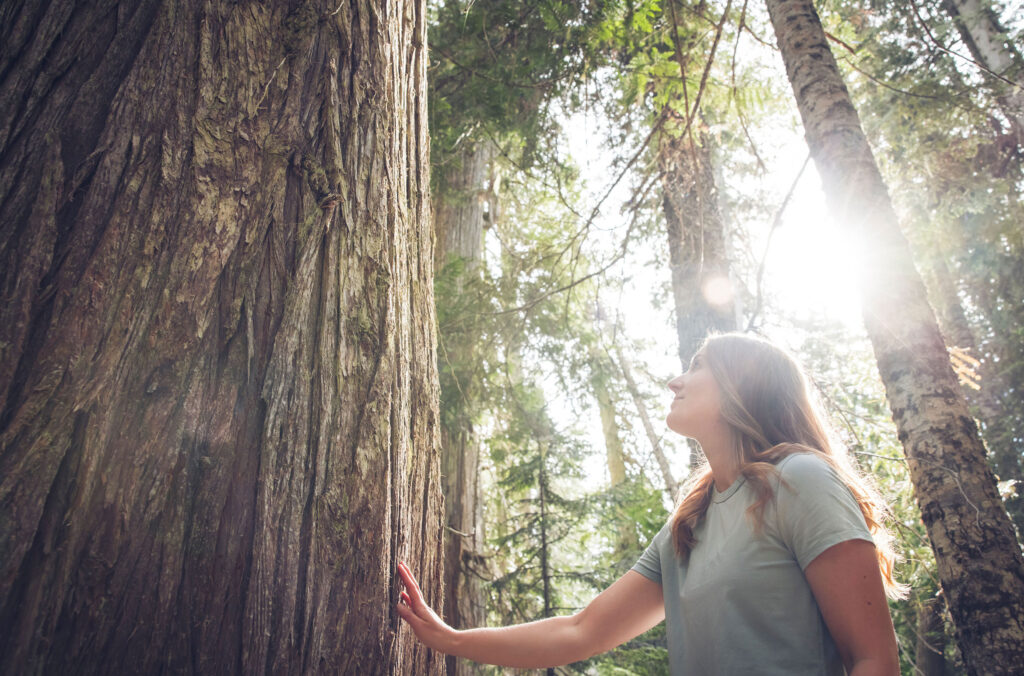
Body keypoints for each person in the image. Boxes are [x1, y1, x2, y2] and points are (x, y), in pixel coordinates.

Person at [395, 332, 904, 675]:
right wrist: (452, 640)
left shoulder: (802, 481)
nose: (675, 381)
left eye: (697, 366)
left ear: (743, 386)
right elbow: (581, 631)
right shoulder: (691, 520)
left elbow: (874, 660)